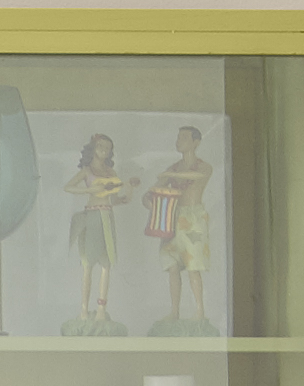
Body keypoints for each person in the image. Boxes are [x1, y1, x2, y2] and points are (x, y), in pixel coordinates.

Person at [143, 124, 217, 334]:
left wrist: (169, 176)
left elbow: (197, 177)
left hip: (192, 219)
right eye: (178, 137)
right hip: (171, 219)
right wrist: (150, 200)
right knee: (172, 266)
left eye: (184, 137)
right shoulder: (173, 169)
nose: (179, 141)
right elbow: (152, 190)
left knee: (193, 266)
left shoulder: (203, 167)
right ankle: (174, 311)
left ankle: (199, 311)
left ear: (196, 142)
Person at [58, 130, 133, 332]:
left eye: (107, 149)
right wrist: (88, 191)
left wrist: (128, 193)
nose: (104, 151)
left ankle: (101, 309)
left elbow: (113, 198)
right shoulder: (87, 171)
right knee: (88, 264)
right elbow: (68, 187)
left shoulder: (111, 173)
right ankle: (83, 309)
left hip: (107, 216)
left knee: (106, 264)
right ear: (94, 149)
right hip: (92, 216)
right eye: (101, 147)